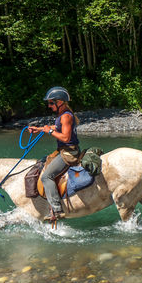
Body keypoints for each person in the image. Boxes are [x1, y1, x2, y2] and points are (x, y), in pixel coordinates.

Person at [27, 86, 81, 221]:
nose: (49, 106)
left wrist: (49, 132)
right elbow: (56, 127)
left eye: (51, 103)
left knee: (46, 177)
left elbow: (65, 138)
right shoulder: (63, 115)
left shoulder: (66, 116)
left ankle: (57, 210)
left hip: (69, 152)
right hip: (63, 150)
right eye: (49, 103)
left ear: (60, 102)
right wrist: (39, 129)